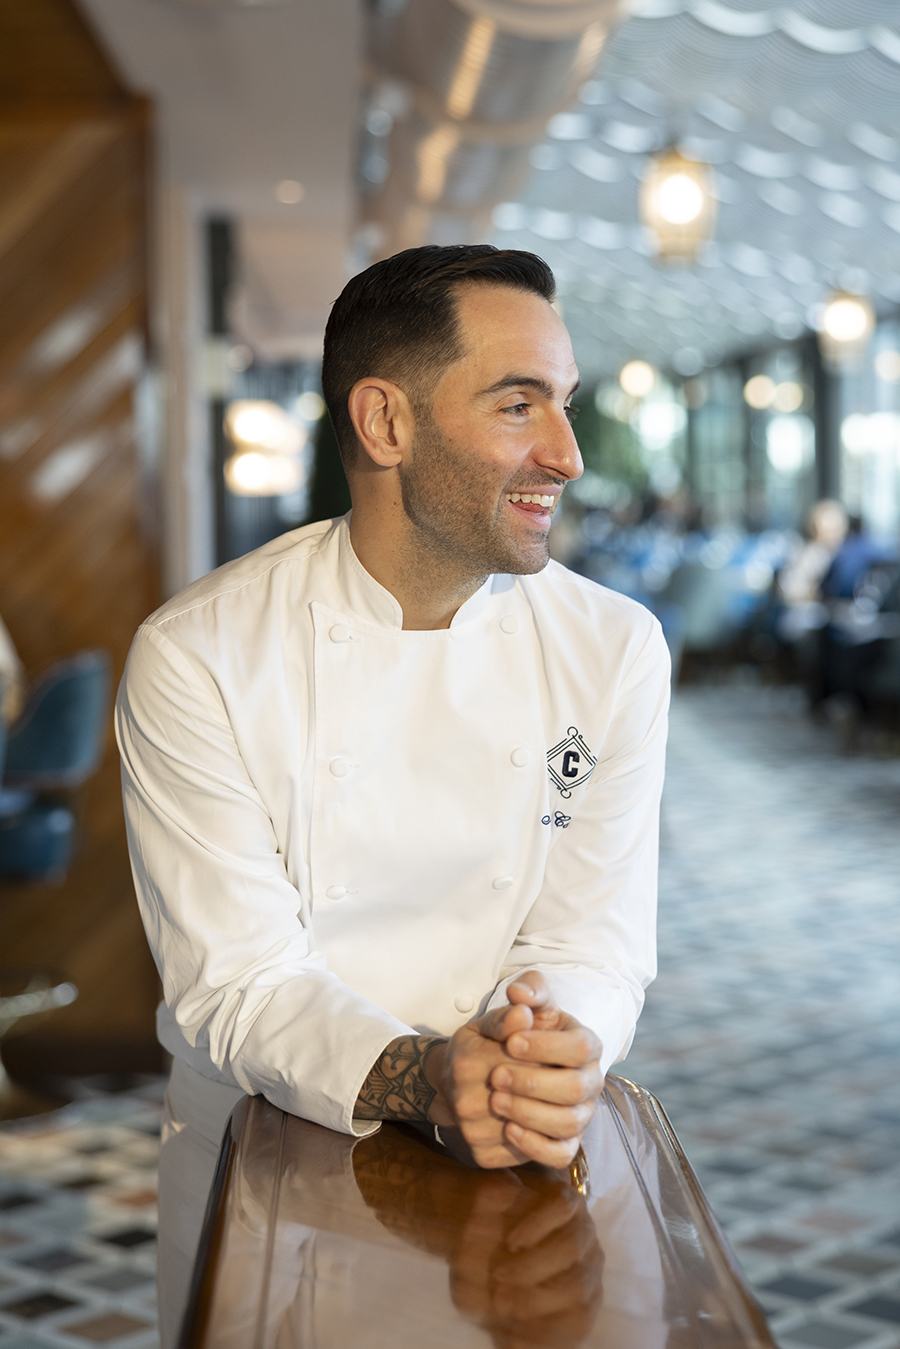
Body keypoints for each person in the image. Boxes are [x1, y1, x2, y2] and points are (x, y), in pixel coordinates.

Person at [116, 245, 670, 1333]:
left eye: (564, 402)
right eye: (520, 404)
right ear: (386, 424)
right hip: (272, 1166)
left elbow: (596, 933)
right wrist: (422, 1079)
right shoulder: (200, 655)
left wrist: (557, 1048)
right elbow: (238, 980)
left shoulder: (615, 647)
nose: (566, 453)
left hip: (523, 1164)